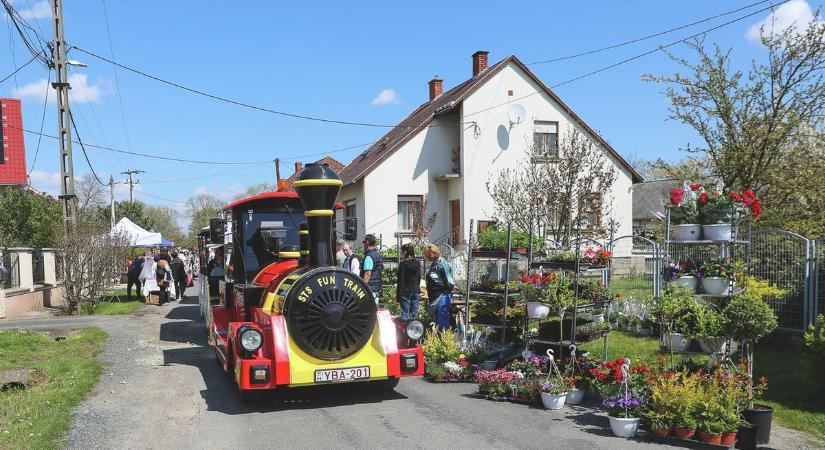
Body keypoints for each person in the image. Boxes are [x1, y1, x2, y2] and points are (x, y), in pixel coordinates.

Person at [423, 244, 455, 330]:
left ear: (431, 254)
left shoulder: (442, 264)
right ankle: (439, 337)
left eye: (426, 254)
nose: (425, 257)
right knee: (438, 321)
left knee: (442, 321)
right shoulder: (434, 264)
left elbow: (450, 282)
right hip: (435, 296)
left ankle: (444, 337)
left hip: (442, 296)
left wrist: (443, 289)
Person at [396, 243, 421, 321]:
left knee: (405, 315)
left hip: (405, 291)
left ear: (405, 252)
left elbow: (401, 279)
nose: (401, 254)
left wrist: (398, 294)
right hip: (415, 290)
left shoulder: (403, 264)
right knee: (414, 315)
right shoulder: (418, 263)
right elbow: (419, 278)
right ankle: (415, 328)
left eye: (401, 252)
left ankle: (405, 329)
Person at [360, 234, 383, 305]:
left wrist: (362, 287)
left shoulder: (369, 256)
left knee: (368, 308)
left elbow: (367, 274)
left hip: (369, 289)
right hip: (376, 287)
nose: (363, 244)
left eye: (364, 242)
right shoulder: (378, 255)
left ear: (367, 242)